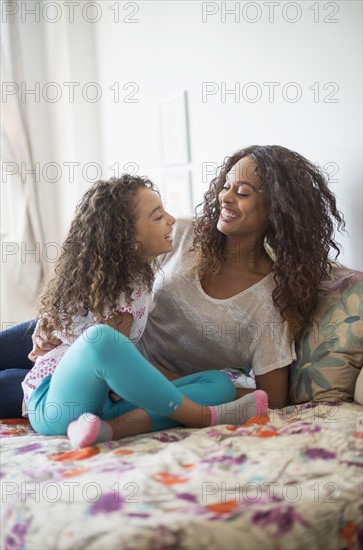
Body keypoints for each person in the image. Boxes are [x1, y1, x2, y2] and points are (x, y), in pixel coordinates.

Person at [1, 145, 344, 414]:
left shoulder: (267, 302)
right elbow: (97, 259)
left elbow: (271, 400)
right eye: (226, 185)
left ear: (275, 209)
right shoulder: (183, 234)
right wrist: (51, 320)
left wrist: (173, 389)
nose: (225, 196)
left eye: (243, 192)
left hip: (116, 378)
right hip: (78, 329)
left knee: (8, 386)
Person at [15, 174, 268, 448]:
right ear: (129, 239)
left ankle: (111, 430)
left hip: (109, 406)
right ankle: (200, 416)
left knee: (219, 384)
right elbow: (66, 333)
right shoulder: (95, 286)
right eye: (158, 217)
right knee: (101, 339)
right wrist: (46, 331)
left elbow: (132, 370)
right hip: (61, 401)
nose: (171, 219)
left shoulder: (140, 283)